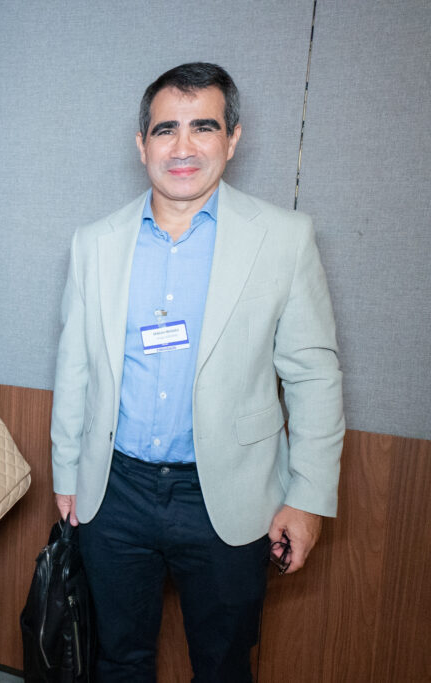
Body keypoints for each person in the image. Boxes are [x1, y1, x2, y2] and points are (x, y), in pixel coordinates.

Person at [50, 62, 344, 682]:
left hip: (230, 496)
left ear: (232, 139)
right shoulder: (94, 243)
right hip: (116, 491)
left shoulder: (284, 239)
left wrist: (308, 498)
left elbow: (314, 377)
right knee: (118, 658)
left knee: (223, 663)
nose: (182, 148)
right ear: (141, 145)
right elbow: (75, 363)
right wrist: (66, 472)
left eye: (203, 127)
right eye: (165, 130)